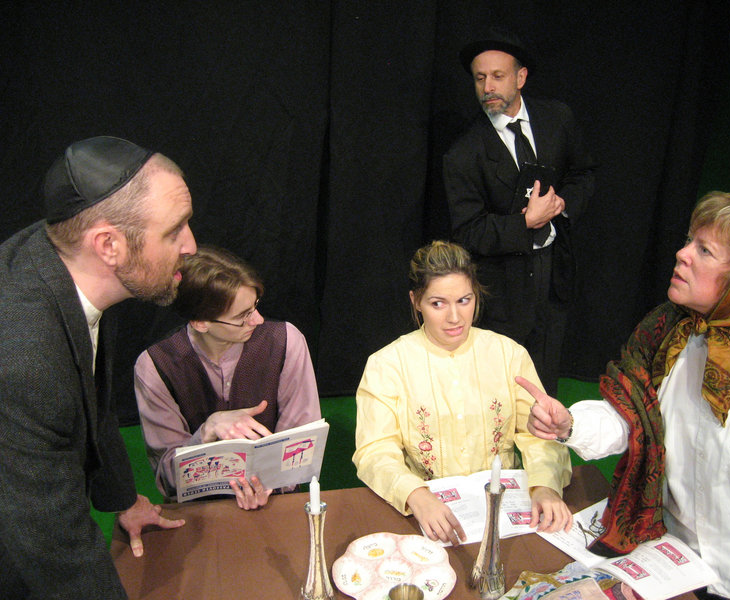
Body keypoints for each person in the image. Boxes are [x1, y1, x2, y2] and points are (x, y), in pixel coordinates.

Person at [522, 192, 730, 599]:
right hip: (673, 566)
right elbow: (632, 418)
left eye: (704, 250)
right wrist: (569, 424)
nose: (682, 254)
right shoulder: (668, 332)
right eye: (689, 240)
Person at [0, 136, 196, 599]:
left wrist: (123, 501)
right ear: (108, 244)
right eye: (174, 231)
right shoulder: (23, 357)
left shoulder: (64, 265)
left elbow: (93, 400)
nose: (190, 245)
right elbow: (54, 545)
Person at [352, 240, 572, 546]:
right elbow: (374, 450)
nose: (454, 317)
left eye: (464, 300)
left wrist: (545, 486)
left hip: (504, 513)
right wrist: (414, 494)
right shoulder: (387, 365)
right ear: (416, 301)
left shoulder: (508, 354)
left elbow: (538, 435)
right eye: (438, 303)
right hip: (429, 515)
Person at [443, 27, 596, 397]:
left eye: (497, 76)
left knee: (545, 385)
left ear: (520, 77)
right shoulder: (463, 153)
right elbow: (468, 231)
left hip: (554, 277)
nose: (488, 87)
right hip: (504, 292)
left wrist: (562, 205)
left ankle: (544, 450)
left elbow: (583, 172)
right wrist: (525, 222)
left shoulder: (557, 119)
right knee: (501, 389)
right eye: (480, 78)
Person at [134, 245, 321, 510]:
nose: (257, 319)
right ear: (201, 322)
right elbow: (168, 476)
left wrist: (268, 484)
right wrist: (208, 430)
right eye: (243, 316)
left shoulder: (286, 341)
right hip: (199, 514)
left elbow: (302, 444)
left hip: (276, 503)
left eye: (255, 306)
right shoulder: (156, 365)